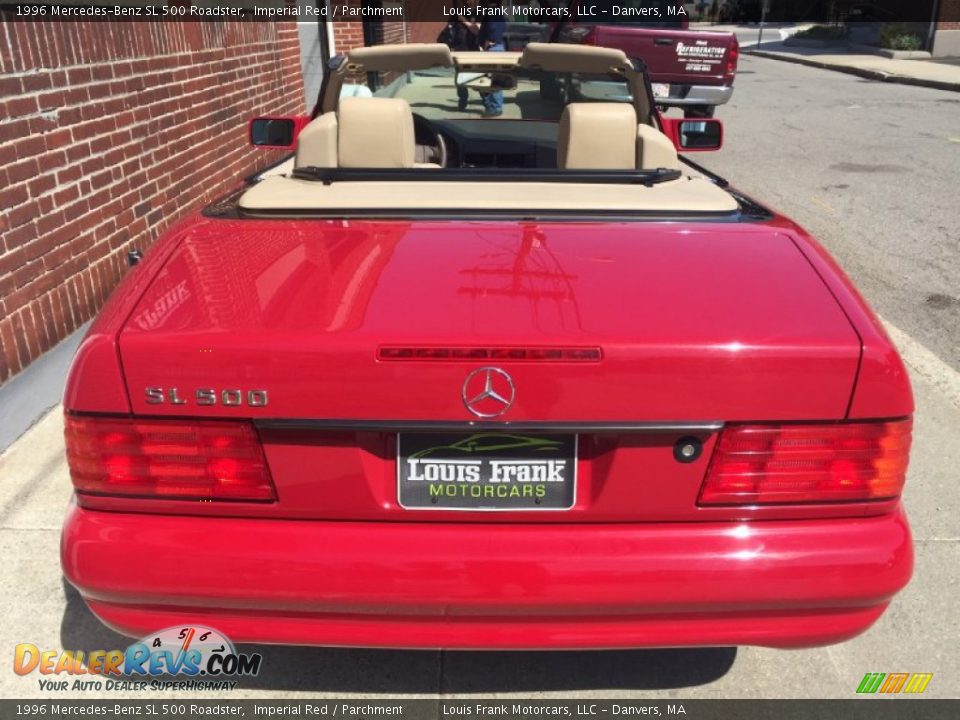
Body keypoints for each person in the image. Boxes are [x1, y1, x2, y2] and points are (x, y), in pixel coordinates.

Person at [437, 15, 479, 111]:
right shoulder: (454, 17)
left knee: (478, 76)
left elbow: (477, 31)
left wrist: (463, 20)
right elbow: (447, 32)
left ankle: (487, 101)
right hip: (459, 52)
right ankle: (463, 101)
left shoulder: (477, 14)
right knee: (461, 78)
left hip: (473, 52)